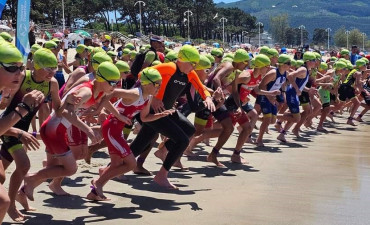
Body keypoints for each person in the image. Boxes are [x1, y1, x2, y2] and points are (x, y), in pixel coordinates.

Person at [21, 62, 125, 204]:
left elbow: (96, 104)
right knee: (70, 169)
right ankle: (31, 178)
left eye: (117, 82)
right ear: (100, 79)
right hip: (54, 131)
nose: (115, 86)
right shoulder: (87, 91)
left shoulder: (98, 90)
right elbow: (64, 111)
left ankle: (22, 192)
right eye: (112, 82)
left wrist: (98, 114)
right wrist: (87, 129)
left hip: (55, 129)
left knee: (52, 169)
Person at [129, 45, 215, 189]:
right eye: (193, 63)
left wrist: (208, 98)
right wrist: (154, 96)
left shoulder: (189, 74)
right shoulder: (169, 67)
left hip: (166, 110)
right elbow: (142, 74)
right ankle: (161, 175)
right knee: (181, 140)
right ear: (182, 60)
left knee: (188, 130)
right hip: (153, 111)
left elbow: (201, 87)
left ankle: (110, 168)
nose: (194, 67)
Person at [87, 67, 175, 201]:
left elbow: (145, 118)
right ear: (146, 83)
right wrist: (112, 113)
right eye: (157, 84)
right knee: (131, 164)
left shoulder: (148, 97)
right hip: (111, 128)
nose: (159, 87)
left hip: (117, 130)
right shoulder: (135, 94)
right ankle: (98, 182)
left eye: (161, 84)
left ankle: (94, 192)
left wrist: (160, 115)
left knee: (117, 165)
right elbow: (108, 94)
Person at [0, 42, 44, 223]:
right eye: (12, 68)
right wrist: (23, 108)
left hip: (12, 130)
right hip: (12, 130)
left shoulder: (4, 89)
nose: (19, 73)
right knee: (2, 201)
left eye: (22, 67)